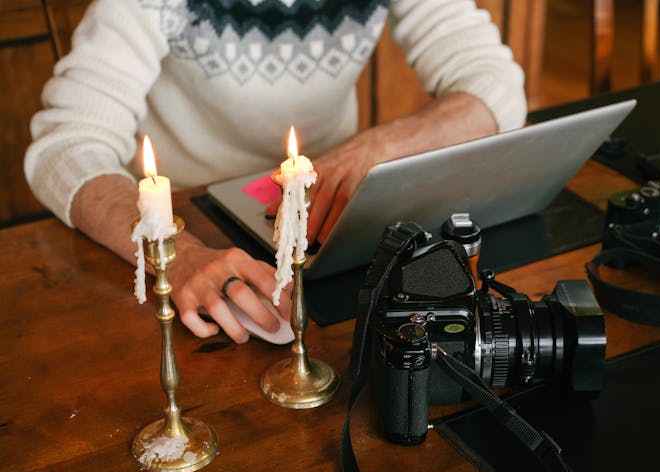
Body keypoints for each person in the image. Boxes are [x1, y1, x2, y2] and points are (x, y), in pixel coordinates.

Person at [25, 0, 527, 344]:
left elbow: (496, 84)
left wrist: (379, 147)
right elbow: (65, 146)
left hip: (329, 218)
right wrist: (175, 253)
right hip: (190, 233)